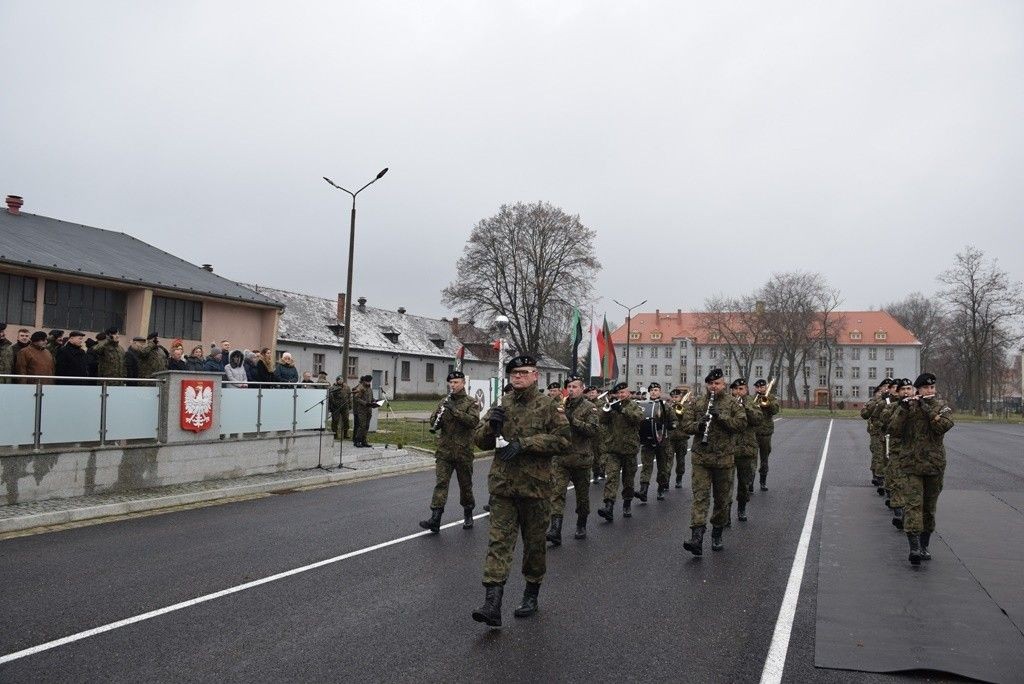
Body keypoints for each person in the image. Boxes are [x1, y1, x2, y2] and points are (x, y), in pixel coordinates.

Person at [471, 355, 570, 627]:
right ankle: (492, 603)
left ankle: (531, 593)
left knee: (534, 546)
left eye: (523, 372)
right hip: (503, 488)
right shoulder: (501, 403)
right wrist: (491, 427)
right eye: (513, 372)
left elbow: (563, 441)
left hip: (535, 489)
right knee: (498, 543)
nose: (517, 377)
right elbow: (480, 441)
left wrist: (525, 444)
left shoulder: (549, 406)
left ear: (535, 375)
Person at [890, 372, 954, 565]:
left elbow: (944, 425)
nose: (930, 390)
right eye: (926, 388)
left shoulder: (941, 407)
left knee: (929, 508)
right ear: (918, 389)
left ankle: (925, 545)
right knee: (913, 506)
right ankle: (914, 548)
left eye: (932, 387)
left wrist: (926, 408)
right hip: (911, 465)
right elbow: (893, 429)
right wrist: (903, 408)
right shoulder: (908, 408)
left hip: (934, 466)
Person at [680, 369, 746, 555]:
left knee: (722, 500)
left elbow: (741, 425)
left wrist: (721, 417)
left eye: (717, 384)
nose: (713, 387)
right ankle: (697, 538)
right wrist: (699, 426)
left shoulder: (733, 403)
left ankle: (717, 533)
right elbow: (685, 425)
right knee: (700, 498)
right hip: (701, 458)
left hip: (723, 459)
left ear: (723, 384)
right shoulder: (698, 402)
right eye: (710, 384)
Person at [420, 370, 480, 533]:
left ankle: (468, 513)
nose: (453, 385)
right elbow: (434, 421)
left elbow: (473, 422)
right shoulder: (444, 401)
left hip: (463, 452)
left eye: (456, 382)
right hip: (445, 451)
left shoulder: (471, 402)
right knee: (441, 484)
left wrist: (455, 411)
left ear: (463, 383)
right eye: (451, 383)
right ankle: (435, 518)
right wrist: (437, 418)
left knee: (465, 486)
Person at [547, 375, 600, 544]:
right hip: (561, 458)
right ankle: (555, 529)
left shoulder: (589, 407)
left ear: (582, 388)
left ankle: (581, 524)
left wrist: (572, 420)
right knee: (556, 494)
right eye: (569, 386)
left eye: (575, 386)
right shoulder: (559, 406)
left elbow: (592, 430)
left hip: (581, 459)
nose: (571, 389)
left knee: (582, 496)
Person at [597, 382, 644, 522]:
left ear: (628, 393)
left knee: (628, 480)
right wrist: (608, 410)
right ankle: (609, 507)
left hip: (629, 449)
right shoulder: (612, 406)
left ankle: (627, 503)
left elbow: (638, 418)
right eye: (618, 393)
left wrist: (622, 410)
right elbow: (602, 420)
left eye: (623, 392)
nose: (620, 395)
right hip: (613, 449)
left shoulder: (634, 406)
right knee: (611, 478)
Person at [881, 378, 916, 528]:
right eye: (903, 389)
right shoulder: (891, 407)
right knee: (897, 482)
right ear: (898, 392)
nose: (906, 391)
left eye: (909, 388)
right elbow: (888, 425)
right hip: (897, 451)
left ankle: (909, 514)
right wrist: (902, 408)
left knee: (912, 486)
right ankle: (899, 512)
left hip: (915, 453)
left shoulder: (919, 407)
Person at [637, 382, 676, 502]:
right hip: (648, 442)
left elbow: (674, 420)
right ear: (649, 392)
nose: (654, 392)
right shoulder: (643, 405)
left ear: (660, 392)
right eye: (652, 390)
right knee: (646, 466)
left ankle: (660, 488)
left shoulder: (665, 406)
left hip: (662, 441)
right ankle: (643, 491)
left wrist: (671, 425)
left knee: (662, 467)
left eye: (656, 390)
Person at [730, 379, 762, 522]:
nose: (738, 392)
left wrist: (745, 408)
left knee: (744, 483)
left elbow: (758, 419)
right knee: (726, 484)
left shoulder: (751, 403)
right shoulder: (727, 402)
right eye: (736, 389)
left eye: (741, 389)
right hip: (729, 448)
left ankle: (741, 508)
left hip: (746, 448)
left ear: (746, 390)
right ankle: (725, 513)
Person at [751, 378, 780, 491]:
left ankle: (763, 482)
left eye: (762, 387)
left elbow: (775, 410)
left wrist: (767, 403)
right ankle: (750, 484)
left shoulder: (771, 398)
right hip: (753, 433)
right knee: (752, 460)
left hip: (765, 433)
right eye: (757, 387)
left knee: (764, 460)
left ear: (766, 387)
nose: (759, 389)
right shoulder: (751, 399)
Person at [860, 381, 887, 487]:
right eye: (883, 388)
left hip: (889, 431)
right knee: (878, 454)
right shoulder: (875, 401)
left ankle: (883, 476)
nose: (886, 389)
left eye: (888, 387)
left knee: (886, 455)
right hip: (877, 432)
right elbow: (865, 414)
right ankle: (878, 476)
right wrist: (877, 400)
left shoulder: (890, 400)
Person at [668, 388, 690, 488]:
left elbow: (687, 419)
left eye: (676, 397)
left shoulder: (685, 407)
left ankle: (679, 478)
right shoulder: (668, 407)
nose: (674, 399)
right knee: (668, 461)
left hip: (682, 437)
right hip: (670, 438)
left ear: (680, 397)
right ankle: (665, 481)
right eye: (672, 397)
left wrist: (681, 409)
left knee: (680, 461)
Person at [585, 386, 607, 483]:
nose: (591, 394)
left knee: (602, 453)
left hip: (601, 433)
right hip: (590, 433)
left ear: (597, 393)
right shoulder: (585, 404)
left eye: (593, 392)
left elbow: (602, 416)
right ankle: (596, 473)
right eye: (589, 393)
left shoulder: (602, 404)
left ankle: (603, 469)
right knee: (593, 455)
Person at [351, 374, 375, 447]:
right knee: (361, 426)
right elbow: (356, 398)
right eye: (367, 381)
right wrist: (365, 403)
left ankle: (364, 441)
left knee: (367, 426)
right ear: (364, 381)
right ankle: (357, 441)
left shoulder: (370, 389)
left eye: (369, 381)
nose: (368, 383)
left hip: (369, 410)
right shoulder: (361, 388)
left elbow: (371, 398)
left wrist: (375, 401)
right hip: (361, 411)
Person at [327, 375, 352, 440]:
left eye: (342, 380)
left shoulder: (347, 387)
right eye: (339, 380)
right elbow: (330, 398)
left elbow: (349, 396)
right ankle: (335, 434)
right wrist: (331, 406)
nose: (341, 381)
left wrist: (350, 405)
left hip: (345, 406)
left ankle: (345, 434)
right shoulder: (332, 388)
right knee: (335, 420)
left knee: (346, 420)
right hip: (336, 407)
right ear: (337, 380)